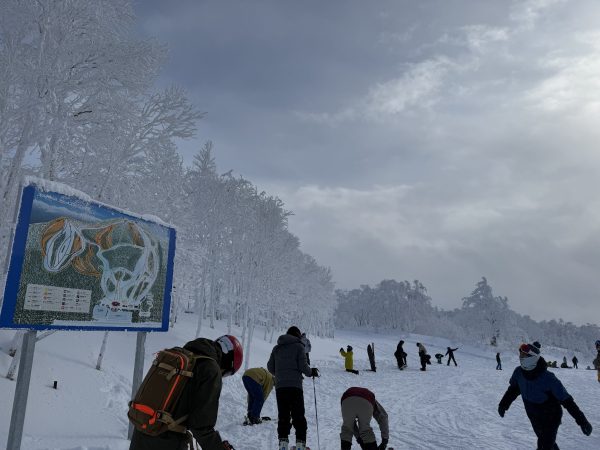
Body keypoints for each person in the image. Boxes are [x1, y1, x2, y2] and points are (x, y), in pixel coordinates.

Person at [129, 335, 243, 450]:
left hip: (141, 432)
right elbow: (201, 427)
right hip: (168, 440)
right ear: (229, 363)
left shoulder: (179, 355)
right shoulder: (210, 370)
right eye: (226, 373)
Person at [498, 343, 593, 449]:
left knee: (544, 446)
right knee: (548, 444)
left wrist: (582, 421)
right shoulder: (518, 372)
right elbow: (513, 390)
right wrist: (503, 405)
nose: (520, 357)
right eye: (520, 355)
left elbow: (567, 401)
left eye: (523, 356)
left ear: (532, 358)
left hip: (551, 416)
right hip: (533, 415)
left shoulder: (548, 379)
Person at [267, 326, 319, 450]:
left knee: (283, 416)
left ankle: (283, 445)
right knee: (298, 416)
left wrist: (280, 373)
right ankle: (300, 446)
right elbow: (303, 367)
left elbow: (270, 367)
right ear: (297, 335)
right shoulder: (299, 346)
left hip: (280, 387)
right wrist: (311, 372)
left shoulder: (277, 348)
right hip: (295, 387)